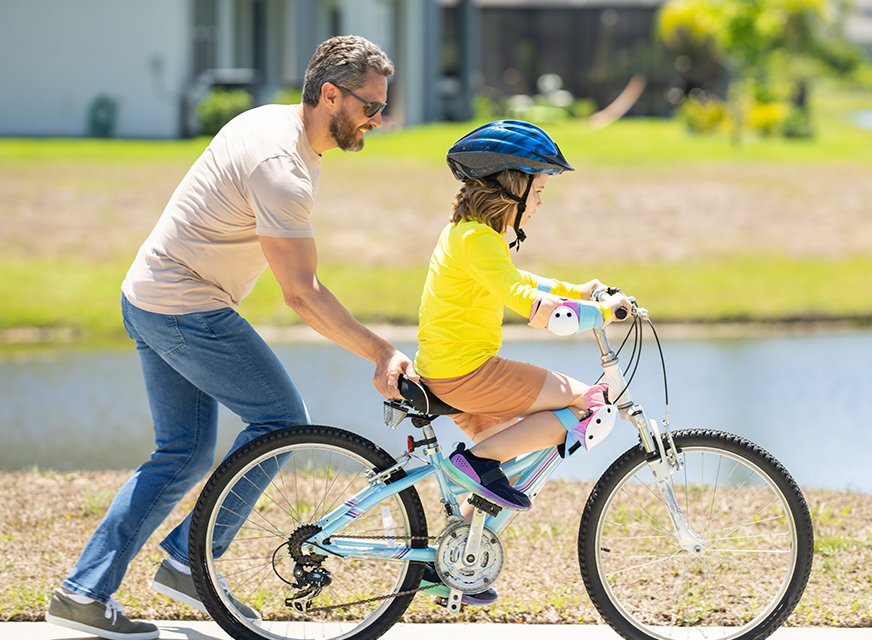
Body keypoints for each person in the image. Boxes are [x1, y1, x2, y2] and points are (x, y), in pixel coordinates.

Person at [45, 35, 418, 640]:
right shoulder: (282, 169)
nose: (379, 119)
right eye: (370, 106)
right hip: (185, 308)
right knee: (280, 420)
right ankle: (189, 562)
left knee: (183, 454)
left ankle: (85, 594)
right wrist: (381, 352)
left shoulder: (274, 126)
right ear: (330, 95)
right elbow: (301, 293)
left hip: (148, 296)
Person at [413, 120, 631, 605]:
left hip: (452, 369)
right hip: (467, 372)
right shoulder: (477, 240)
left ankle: (448, 565)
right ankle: (475, 461)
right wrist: (599, 313)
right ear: (513, 185)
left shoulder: (473, 236)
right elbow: (529, 305)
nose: (540, 204)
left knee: (505, 462)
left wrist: (579, 291)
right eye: (540, 191)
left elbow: (520, 278)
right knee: (589, 404)